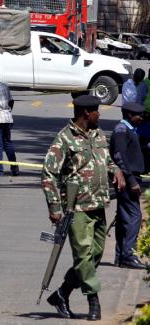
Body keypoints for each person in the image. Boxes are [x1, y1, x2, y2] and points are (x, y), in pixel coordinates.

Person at [41, 95, 125, 321]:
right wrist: (54, 207)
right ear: (86, 113)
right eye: (97, 111)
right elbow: (49, 174)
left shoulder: (97, 134)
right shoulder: (64, 139)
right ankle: (93, 300)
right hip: (76, 208)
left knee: (95, 256)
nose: (100, 114)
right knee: (83, 257)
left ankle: (62, 293)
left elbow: (106, 160)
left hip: (98, 204)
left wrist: (115, 170)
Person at [110, 102, 147, 270]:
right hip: (126, 180)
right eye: (139, 115)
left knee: (124, 218)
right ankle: (128, 255)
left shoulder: (129, 130)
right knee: (134, 216)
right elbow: (120, 157)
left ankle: (120, 256)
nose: (141, 118)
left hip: (130, 178)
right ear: (129, 115)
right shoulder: (121, 131)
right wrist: (131, 180)